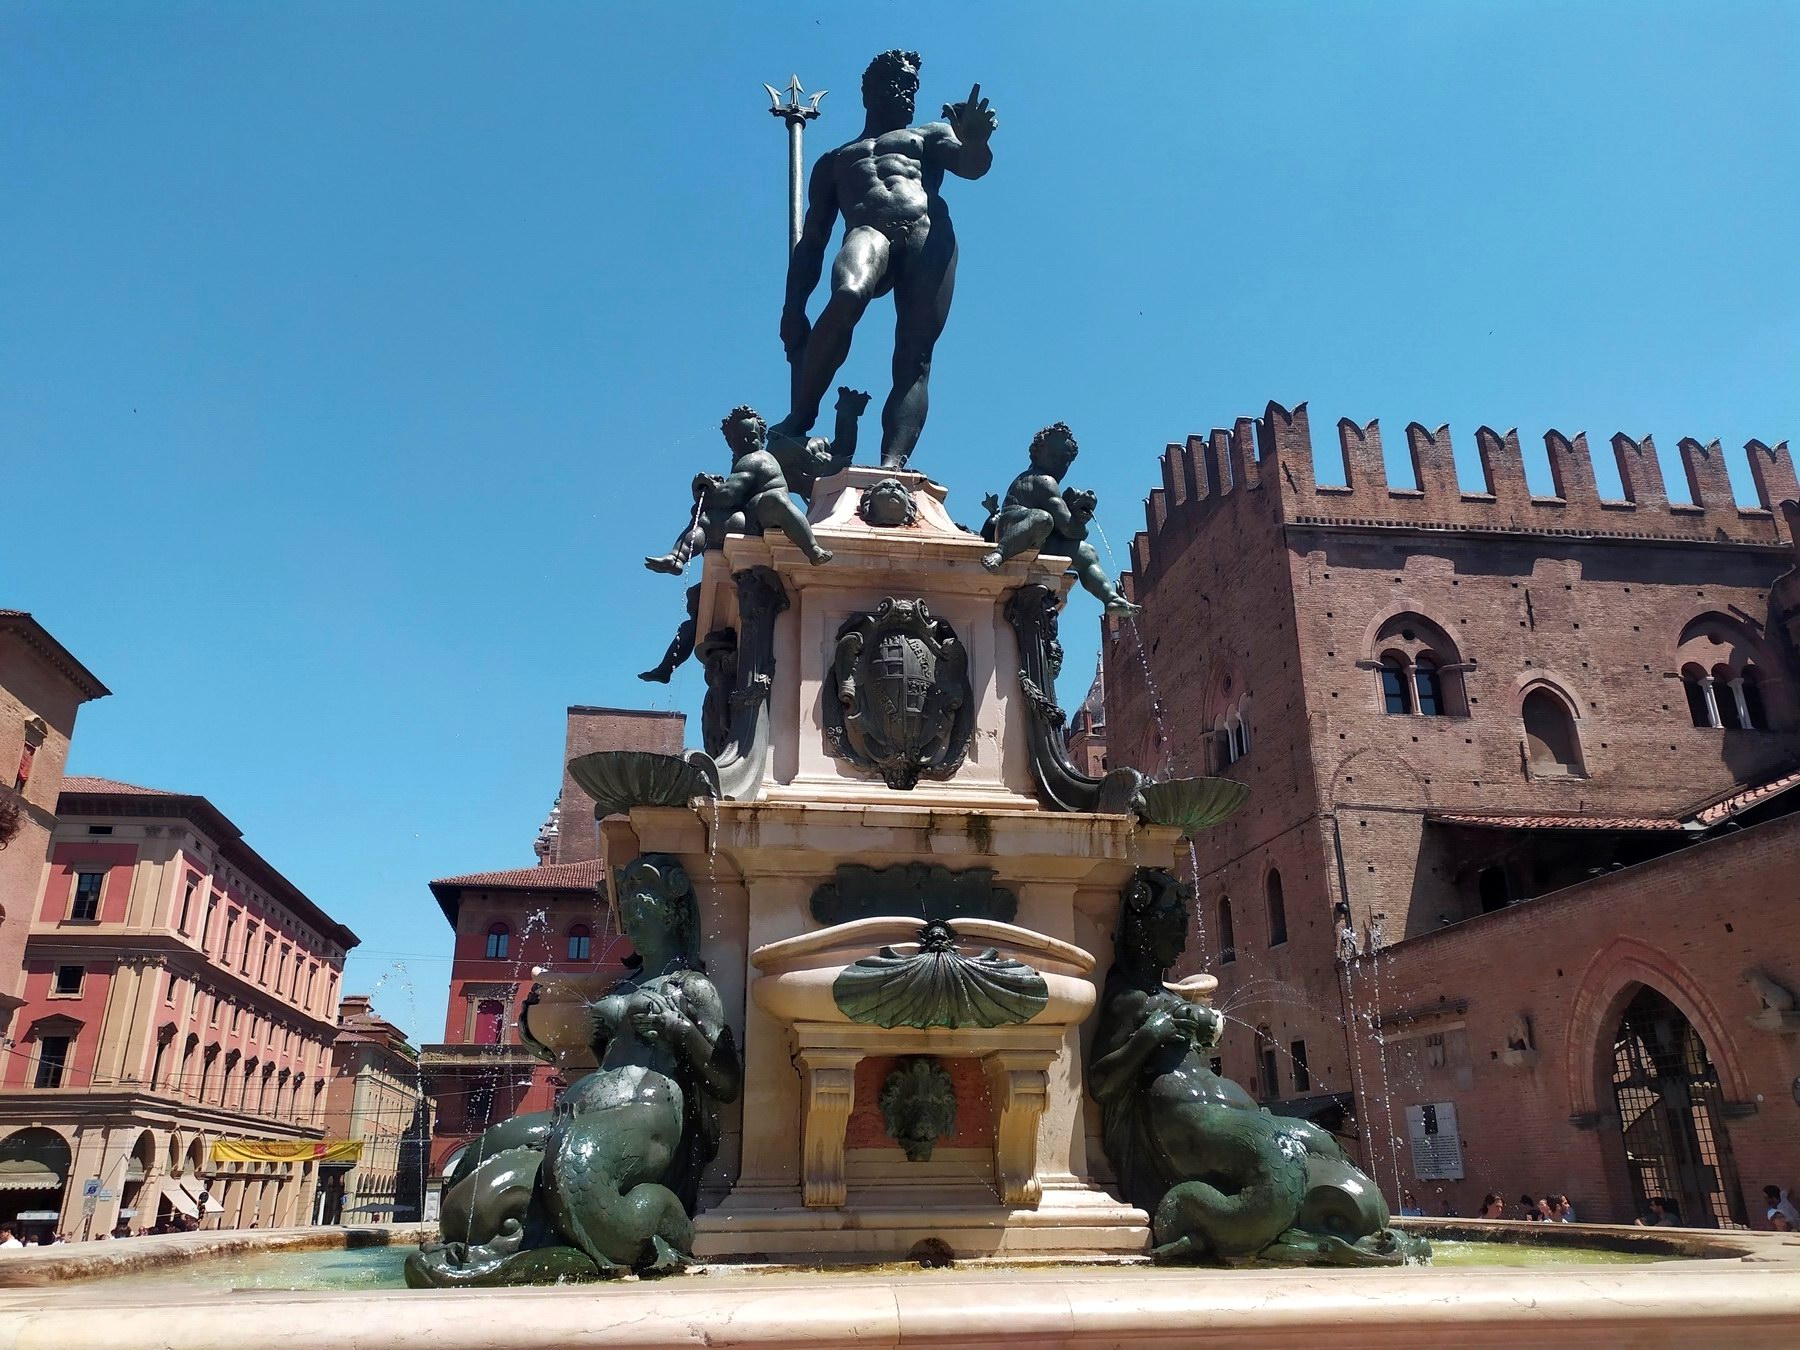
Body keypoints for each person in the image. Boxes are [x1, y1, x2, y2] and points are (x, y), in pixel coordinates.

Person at [774, 51, 997, 470]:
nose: (906, 93)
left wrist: (976, 140)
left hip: (928, 233)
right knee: (847, 294)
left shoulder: (928, 135)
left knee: (915, 355)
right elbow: (812, 243)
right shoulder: (835, 161)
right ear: (868, 92)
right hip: (868, 231)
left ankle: (892, 466)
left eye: (912, 85)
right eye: (896, 83)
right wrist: (793, 308)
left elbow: (971, 165)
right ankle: (802, 414)